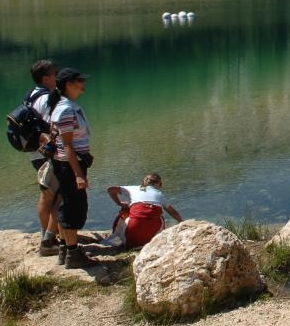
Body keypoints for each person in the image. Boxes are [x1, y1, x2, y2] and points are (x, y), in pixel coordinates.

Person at [49, 68, 96, 268]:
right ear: (69, 84)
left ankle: (64, 248)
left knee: (66, 205)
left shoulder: (63, 106)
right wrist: (78, 174)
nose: (83, 85)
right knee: (74, 207)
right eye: (79, 81)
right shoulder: (67, 110)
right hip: (69, 166)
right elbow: (67, 145)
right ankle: (73, 254)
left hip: (66, 163)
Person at [25, 60, 62, 257]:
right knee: (60, 196)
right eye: (55, 73)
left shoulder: (31, 95)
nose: (57, 76)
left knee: (46, 194)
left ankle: (47, 234)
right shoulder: (47, 98)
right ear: (45, 78)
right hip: (49, 153)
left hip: (35, 154)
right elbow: (52, 127)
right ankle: (49, 240)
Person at [106, 173, 183, 249]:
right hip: (151, 240)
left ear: (143, 182)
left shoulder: (133, 189)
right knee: (159, 215)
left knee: (125, 210)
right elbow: (173, 212)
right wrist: (182, 222)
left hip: (131, 240)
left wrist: (119, 203)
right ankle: (155, 240)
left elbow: (110, 189)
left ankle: (117, 236)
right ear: (159, 184)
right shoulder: (160, 194)